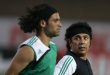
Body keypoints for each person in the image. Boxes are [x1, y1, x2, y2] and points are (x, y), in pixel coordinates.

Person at [5, 3, 62, 75]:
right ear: (43, 23)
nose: (60, 25)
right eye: (55, 20)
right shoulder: (29, 49)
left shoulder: (53, 47)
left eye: (59, 20)